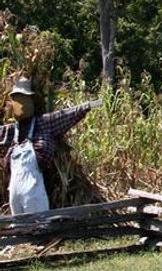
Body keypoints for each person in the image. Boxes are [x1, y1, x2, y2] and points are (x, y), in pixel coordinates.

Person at [0, 77, 101, 215]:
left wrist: (92, 104)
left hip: (33, 188)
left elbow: (69, 114)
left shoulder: (45, 123)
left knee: (38, 223)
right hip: (14, 191)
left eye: (24, 100)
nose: (20, 105)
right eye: (17, 100)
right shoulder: (12, 131)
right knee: (19, 226)